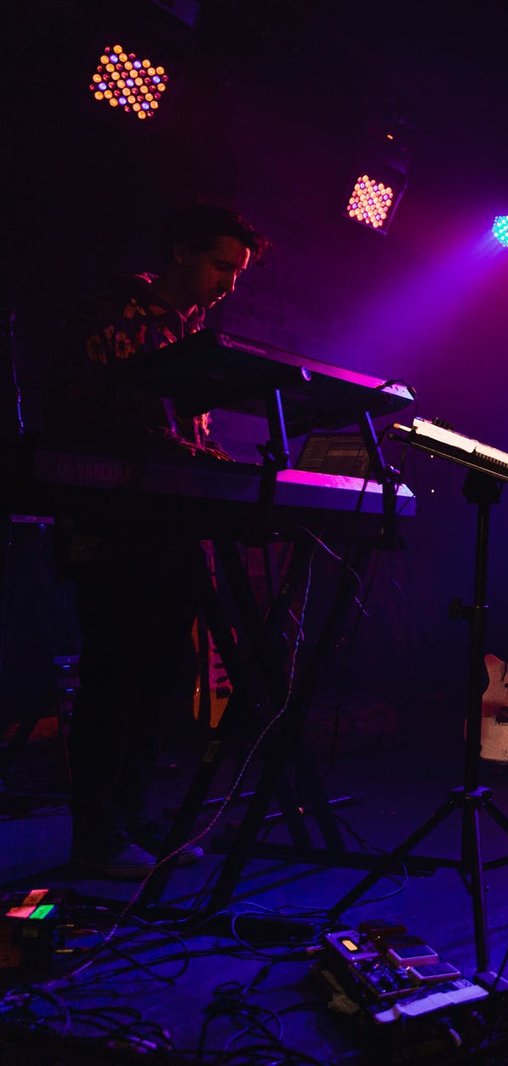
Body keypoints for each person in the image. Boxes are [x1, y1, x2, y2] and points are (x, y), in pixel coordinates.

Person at [46, 200, 266, 879]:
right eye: (220, 266)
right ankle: (97, 836)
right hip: (116, 526)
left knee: (158, 680)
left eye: (238, 272)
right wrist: (194, 459)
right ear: (179, 252)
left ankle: (132, 816)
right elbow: (87, 416)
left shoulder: (187, 330)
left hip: (170, 528)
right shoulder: (115, 315)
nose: (229, 284)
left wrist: (207, 463)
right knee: (115, 678)